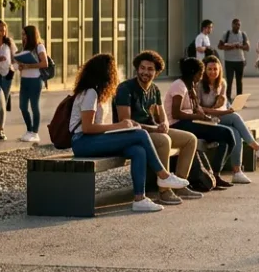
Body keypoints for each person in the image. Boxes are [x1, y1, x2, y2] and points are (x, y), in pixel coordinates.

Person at [69, 53, 190, 212]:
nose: (117, 75)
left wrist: (119, 127)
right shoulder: (90, 93)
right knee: (140, 135)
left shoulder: (101, 93)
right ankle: (164, 176)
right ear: (105, 72)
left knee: (137, 150)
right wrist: (118, 126)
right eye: (114, 70)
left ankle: (139, 199)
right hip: (82, 142)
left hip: (95, 139)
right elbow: (87, 128)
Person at [114, 51, 204, 205]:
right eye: (142, 68)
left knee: (190, 139)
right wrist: (156, 129)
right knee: (163, 140)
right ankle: (164, 191)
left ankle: (180, 184)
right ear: (137, 68)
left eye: (150, 69)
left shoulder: (154, 89)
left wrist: (164, 124)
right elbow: (125, 122)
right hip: (132, 135)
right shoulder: (125, 88)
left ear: (156, 72)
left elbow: (163, 115)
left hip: (151, 131)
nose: (145, 72)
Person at [198, 54, 259, 178]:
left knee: (235, 132)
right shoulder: (199, 85)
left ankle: (237, 171)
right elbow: (198, 109)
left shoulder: (222, 83)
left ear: (219, 70)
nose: (213, 72)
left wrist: (221, 106)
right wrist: (219, 111)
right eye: (209, 69)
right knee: (234, 117)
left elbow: (221, 105)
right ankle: (256, 148)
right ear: (205, 70)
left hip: (218, 116)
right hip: (205, 120)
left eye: (215, 69)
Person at [166, 57, 238, 190]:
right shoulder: (179, 86)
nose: (201, 77)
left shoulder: (190, 86)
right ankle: (213, 176)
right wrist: (196, 116)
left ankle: (216, 174)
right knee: (227, 133)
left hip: (191, 122)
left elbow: (195, 108)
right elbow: (175, 113)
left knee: (227, 138)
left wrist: (205, 117)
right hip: (178, 125)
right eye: (200, 73)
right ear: (193, 72)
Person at [14, 25, 49, 143]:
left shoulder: (39, 47)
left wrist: (29, 66)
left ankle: (35, 132)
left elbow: (45, 63)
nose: (22, 37)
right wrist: (21, 66)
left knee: (34, 106)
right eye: (22, 34)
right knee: (22, 106)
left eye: (24, 34)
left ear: (30, 35)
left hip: (35, 79)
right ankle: (29, 130)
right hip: (25, 79)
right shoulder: (24, 48)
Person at [219, 18, 250, 96]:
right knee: (229, 81)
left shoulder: (243, 34)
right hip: (229, 61)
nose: (237, 26)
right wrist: (231, 46)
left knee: (239, 81)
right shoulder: (226, 34)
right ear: (232, 25)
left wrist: (240, 46)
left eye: (239, 25)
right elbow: (220, 46)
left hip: (240, 61)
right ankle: (228, 99)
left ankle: (239, 99)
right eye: (236, 24)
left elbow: (247, 47)